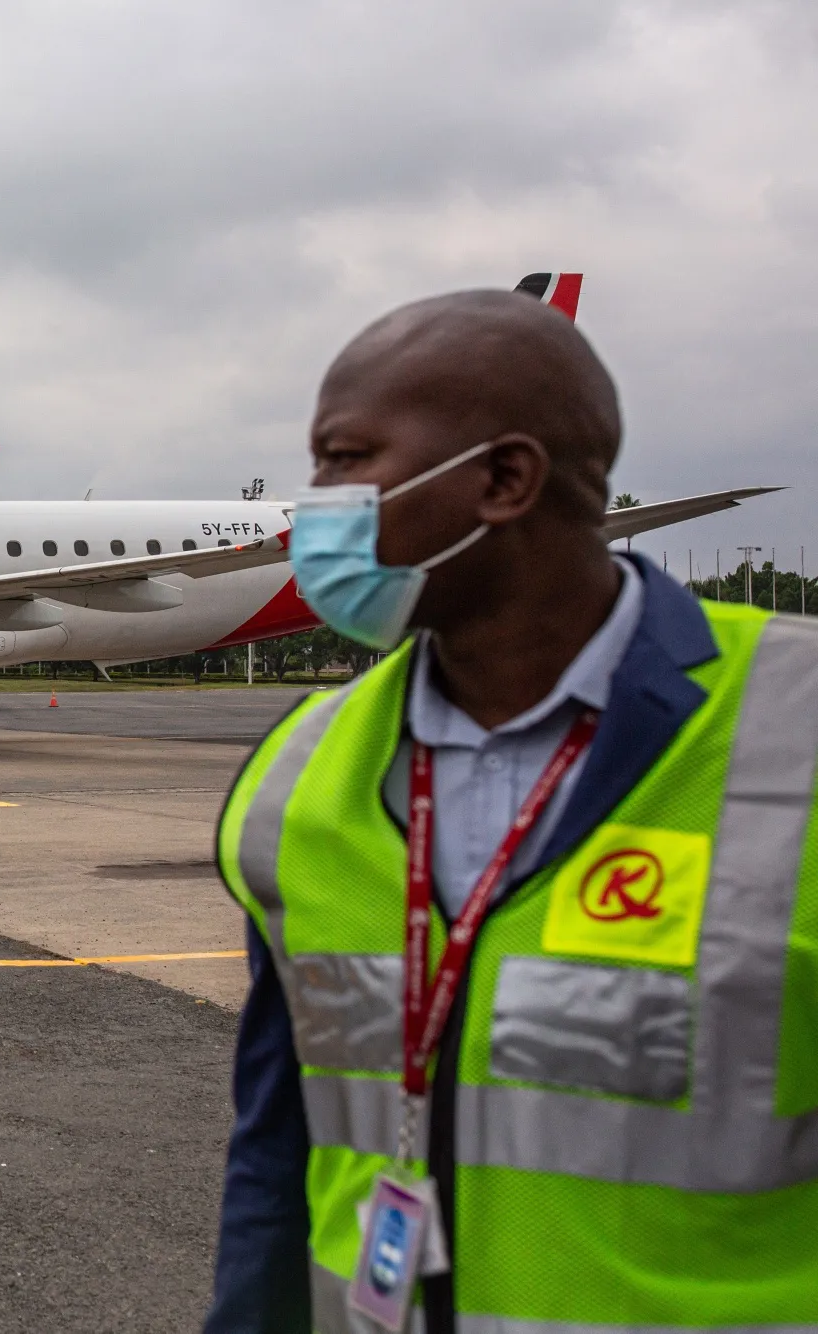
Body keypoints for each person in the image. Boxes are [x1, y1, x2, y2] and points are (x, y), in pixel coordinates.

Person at [207, 290, 818, 1331]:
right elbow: (277, 1154)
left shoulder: (789, 733)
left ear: (502, 479)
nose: (311, 505)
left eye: (346, 459)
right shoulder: (298, 776)